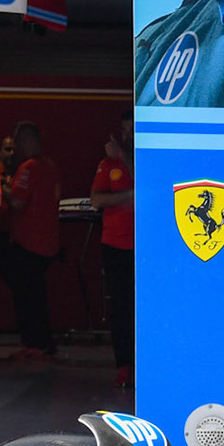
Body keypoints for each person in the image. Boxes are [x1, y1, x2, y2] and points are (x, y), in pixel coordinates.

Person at [1, 122, 62, 361]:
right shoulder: (51, 167)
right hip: (48, 242)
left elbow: (17, 202)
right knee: (37, 295)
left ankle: (35, 343)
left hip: (29, 243)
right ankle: (42, 342)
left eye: (18, 142)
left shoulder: (29, 168)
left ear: (26, 141)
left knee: (28, 296)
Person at [91, 109, 136, 389]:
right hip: (116, 245)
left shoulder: (146, 159)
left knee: (144, 308)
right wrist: (130, 195)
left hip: (146, 250)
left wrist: (124, 156)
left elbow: (143, 181)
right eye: (123, 130)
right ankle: (123, 366)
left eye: (131, 130)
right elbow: (96, 199)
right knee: (120, 308)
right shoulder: (108, 164)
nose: (126, 135)